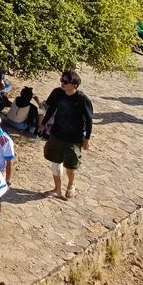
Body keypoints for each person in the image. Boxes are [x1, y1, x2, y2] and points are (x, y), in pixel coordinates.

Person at [40, 71, 93, 199]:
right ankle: (57, 189)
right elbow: (51, 109)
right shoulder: (58, 93)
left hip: (74, 137)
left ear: (74, 85)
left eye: (65, 81)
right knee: (55, 161)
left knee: (70, 165)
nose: (62, 83)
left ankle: (71, 184)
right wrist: (43, 123)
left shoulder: (82, 99)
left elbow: (89, 119)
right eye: (61, 80)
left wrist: (87, 138)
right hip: (57, 133)